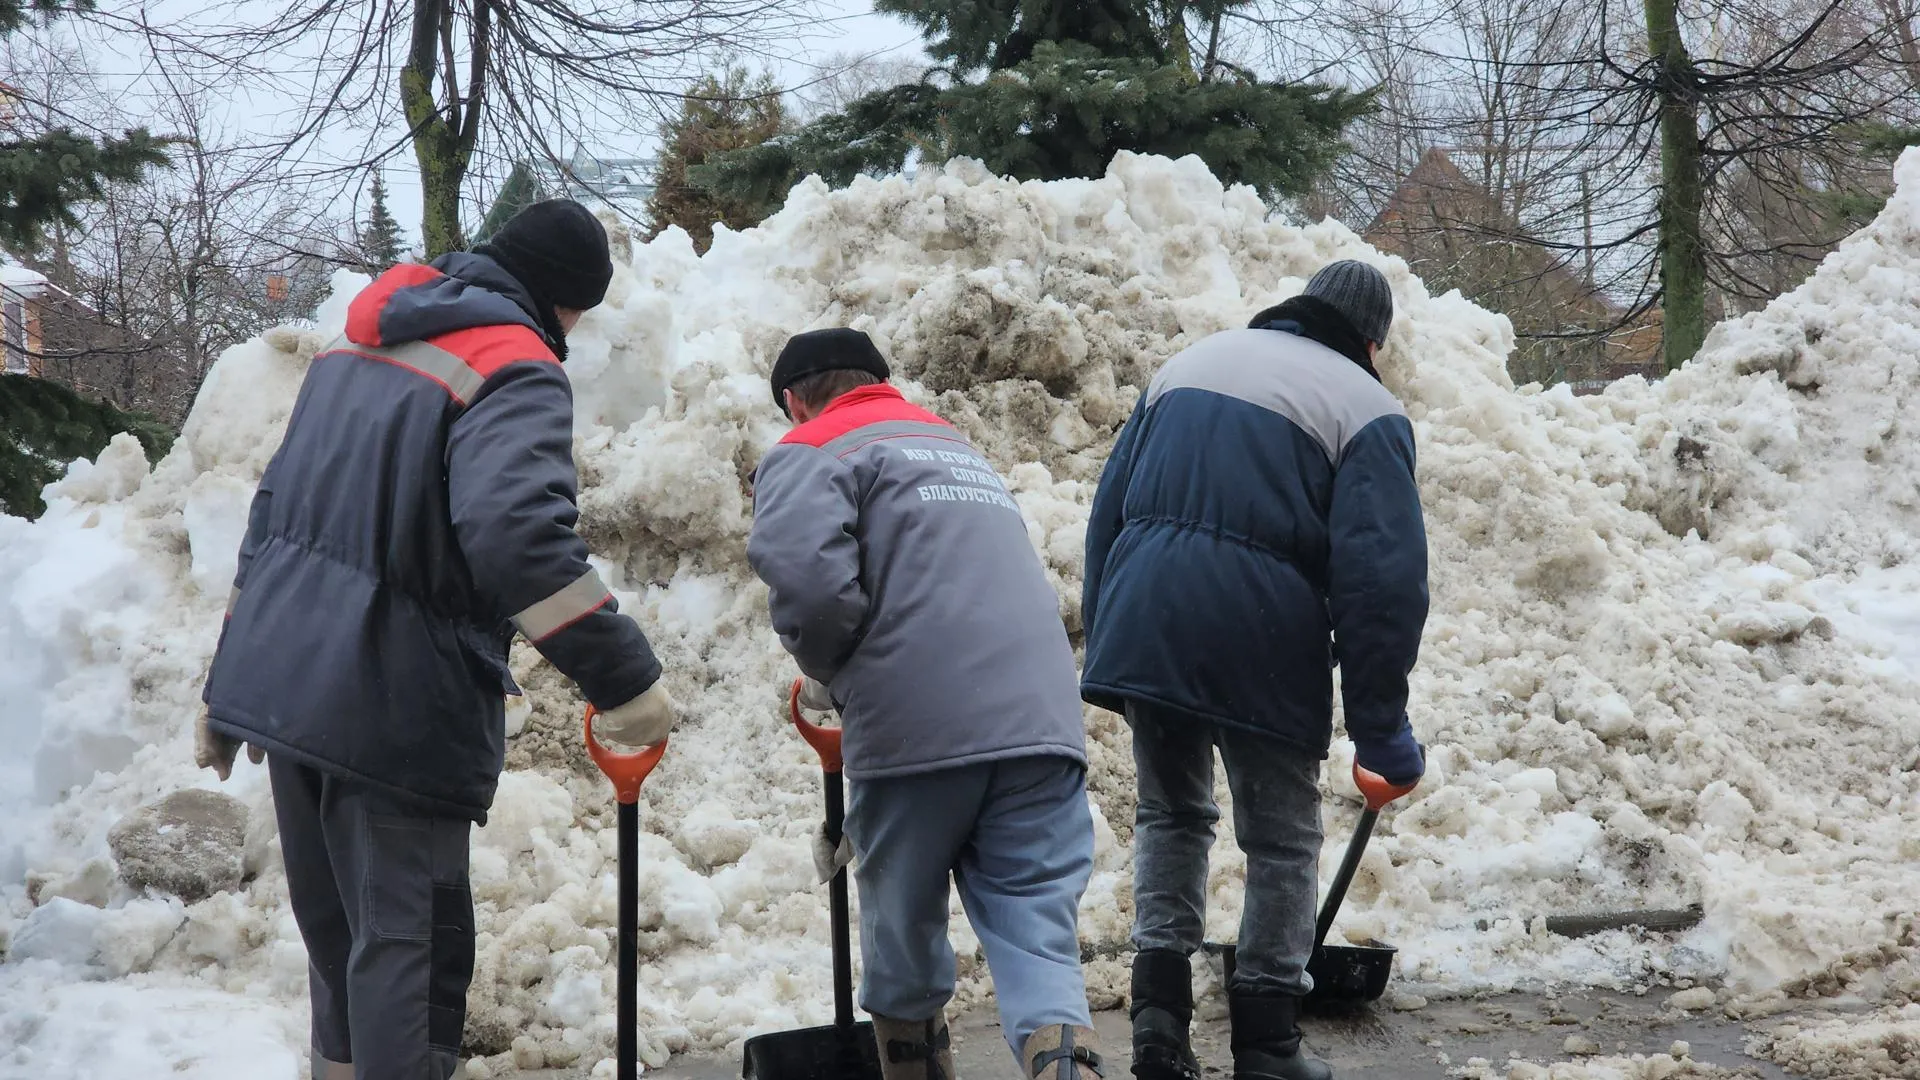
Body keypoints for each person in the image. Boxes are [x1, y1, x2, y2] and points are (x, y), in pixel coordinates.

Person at [195, 199, 676, 1080]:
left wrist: (227, 678)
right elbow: (515, 535)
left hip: (286, 691)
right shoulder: (515, 364)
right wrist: (623, 676)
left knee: (344, 957)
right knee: (409, 961)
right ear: (562, 298)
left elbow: (274, 515)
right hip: (390, 704)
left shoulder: (352, 349)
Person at [1079, 260, 1429, 1080]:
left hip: (1147, 619)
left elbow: (1108, 513)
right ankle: (1268, 1044)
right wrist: (1381, 730)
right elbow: (1382, 583)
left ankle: (1159, 1033)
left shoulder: (1190, 364)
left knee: (1170, 817)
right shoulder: (1366, 407)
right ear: (1371, 340)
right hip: (1261, 632)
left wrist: (1110, 640)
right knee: (1281, 838)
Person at [746, 327, 1104, 1080]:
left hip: (918, 730)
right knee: (1035, 924)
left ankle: (912, 1067)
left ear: (793, 398)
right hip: (1041, 723)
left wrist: (825, 670)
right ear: (880, 381)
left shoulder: (812, 448)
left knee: (901, 921)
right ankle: (1065, 1065)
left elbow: (810, 592)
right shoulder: (955, 447)